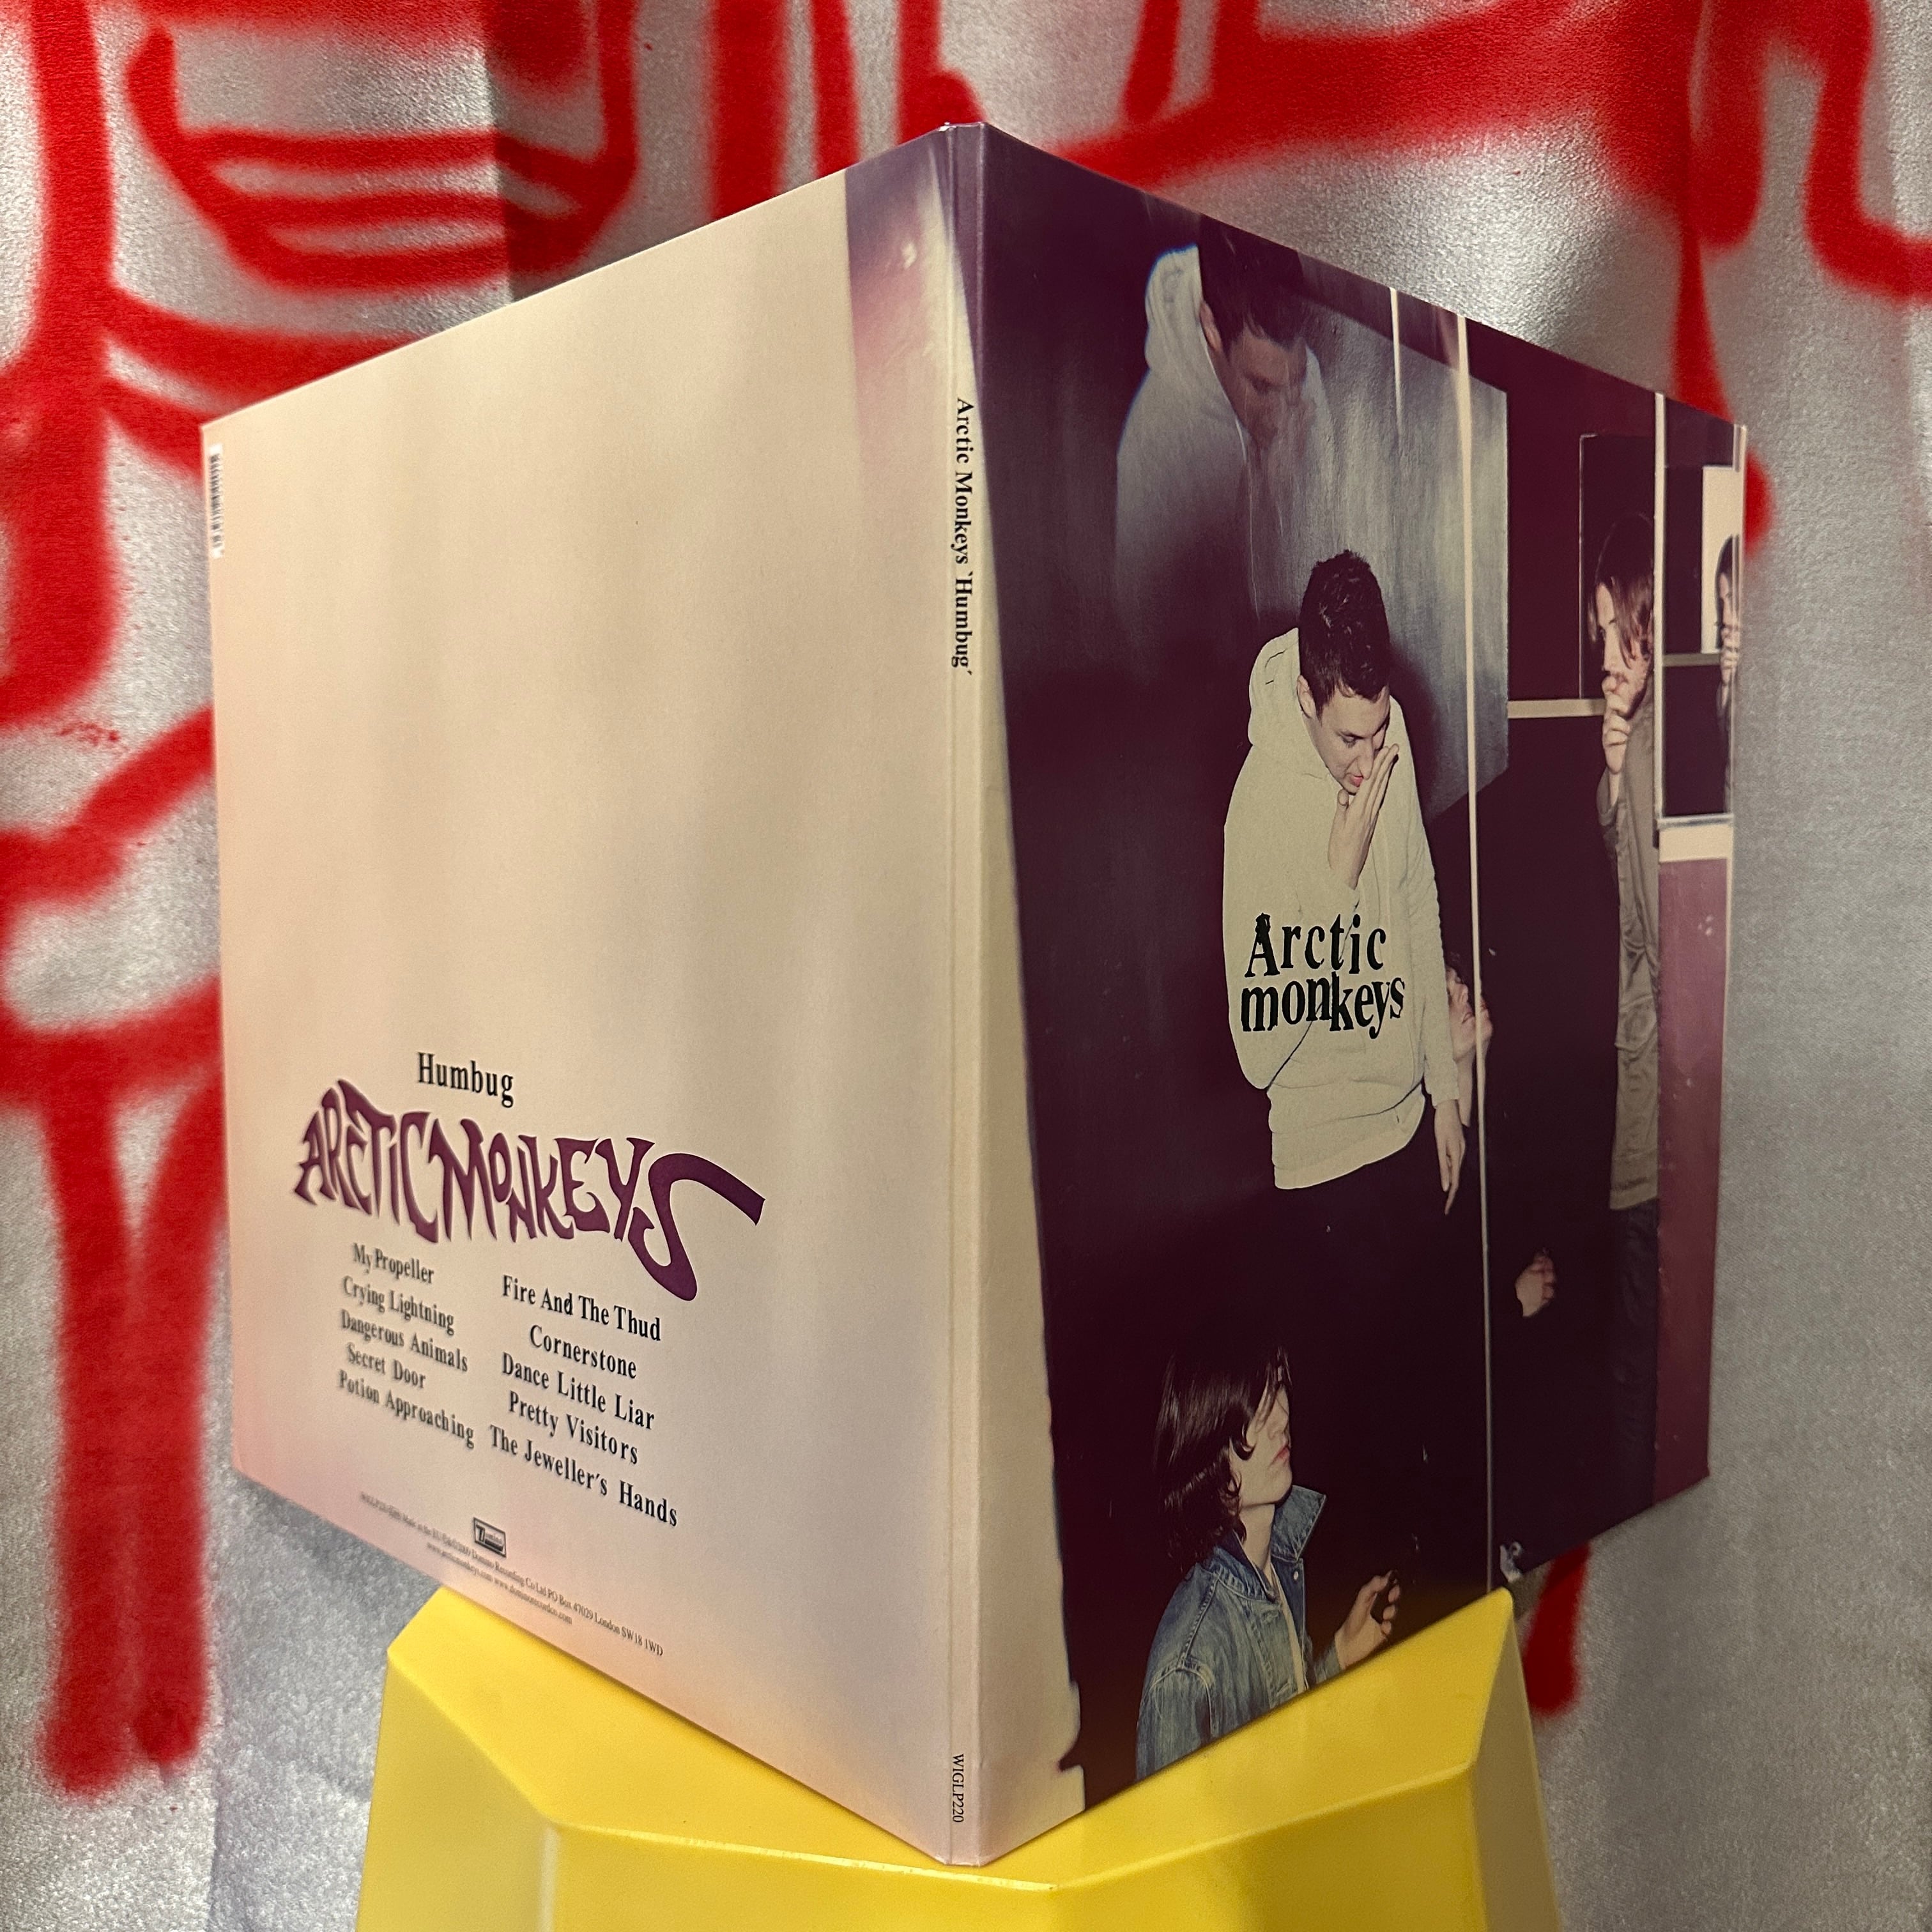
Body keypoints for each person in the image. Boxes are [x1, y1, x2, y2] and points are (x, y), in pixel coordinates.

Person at [1222, 551, 1483, 1616]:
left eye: (1379, 737)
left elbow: (1416, 898)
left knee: (1423, 1443)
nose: (1369, 761)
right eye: (1348, 741)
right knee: (1346, 1486)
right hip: (1322, 1184)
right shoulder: (1258, 812)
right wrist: (1332, 879)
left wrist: (1444, 1088)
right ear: (1302, 696)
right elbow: (1255, 1048)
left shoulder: (1382, 730)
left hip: (1402, 1143)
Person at [1137, 1312, 1397, 1779]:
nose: (1281, 1418)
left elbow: (1285, 1734)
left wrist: (1339, 1654)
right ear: (1211, 1451)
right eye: (1253, 1411)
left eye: (1277, 1389)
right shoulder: (1187, 1668)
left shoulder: (1275, 1567)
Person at [1114, 218, 1338, 674]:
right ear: (1212, 329)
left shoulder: (1298, 372)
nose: (1284, 413)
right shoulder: (1153, 439)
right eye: (1262, 388)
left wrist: (1296, 502)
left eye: (1295, 382)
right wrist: (1263, 515)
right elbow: (1149, 650)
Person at [1591, 513, 1661, 1517]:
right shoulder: (1641, 742)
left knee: (1638, 1347)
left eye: (1620, 635)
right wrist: (1611, 771)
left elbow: (1649, 931)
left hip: (1652, 1093)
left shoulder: (1653, 747)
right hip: (1643, 1080)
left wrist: (1623, 771)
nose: (1606, 657)